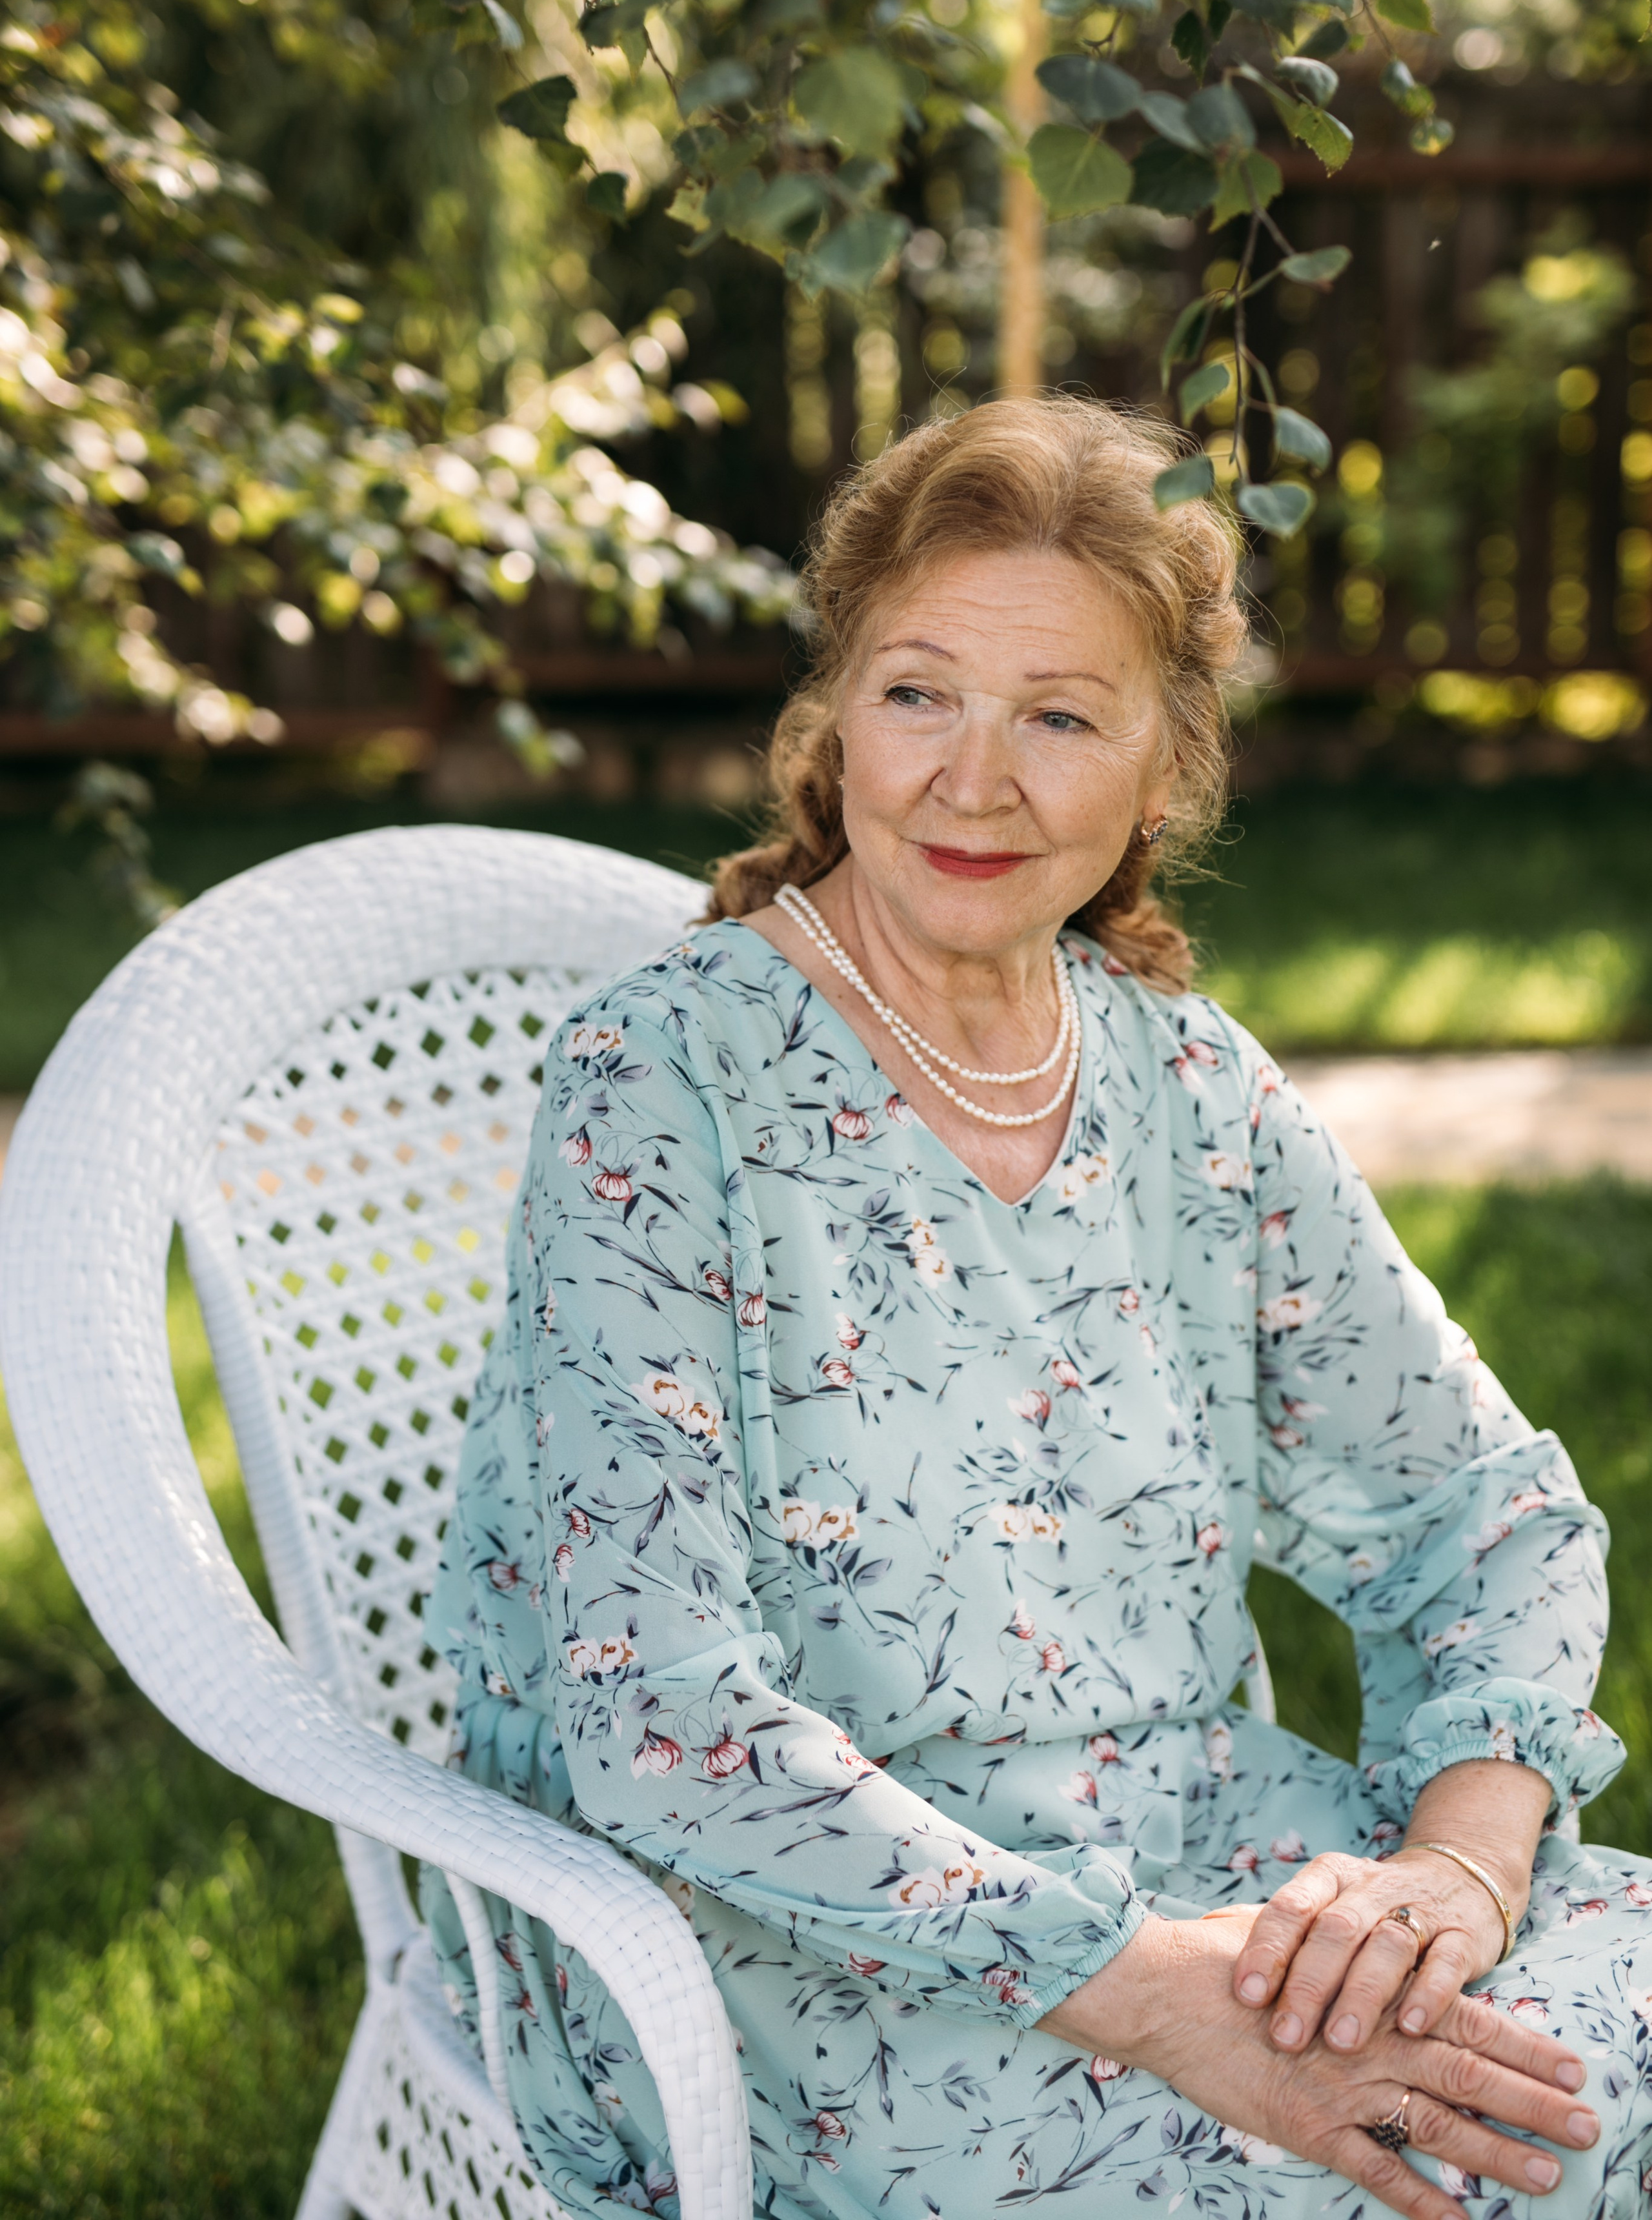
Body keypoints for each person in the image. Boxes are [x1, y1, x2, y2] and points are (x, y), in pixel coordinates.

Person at [423, 399, 1652, 2220]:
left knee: (1565, 2062)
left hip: (1204, 1854)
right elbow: (662, 1717)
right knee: (1392, 2169)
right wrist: (1159, 2001)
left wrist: (1450, 1877)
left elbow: (1485, 1512)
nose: (970, 778)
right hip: (806, 1944)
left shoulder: (1185, 1082)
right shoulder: (661, 1079)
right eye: (919, 695)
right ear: (833, 725)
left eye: (1061, 716)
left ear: (1168, 776)